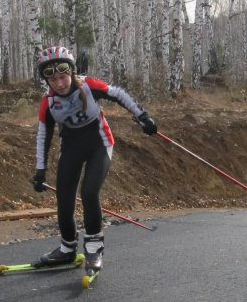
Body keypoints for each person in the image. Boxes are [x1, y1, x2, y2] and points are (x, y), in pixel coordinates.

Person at [31, 44, 157, 273]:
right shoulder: (48, 103)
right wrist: (40, 170)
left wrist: (142, 116)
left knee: (89, 192)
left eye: (63, 76)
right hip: (71, 148)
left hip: (100, 144)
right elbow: (43, 135)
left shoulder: (88, 86)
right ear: (47, 81)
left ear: (71, 72)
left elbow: (117, 94)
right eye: (53, 80)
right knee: (65, 198)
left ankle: (94, 248)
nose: (59, 83)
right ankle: (67, 250)